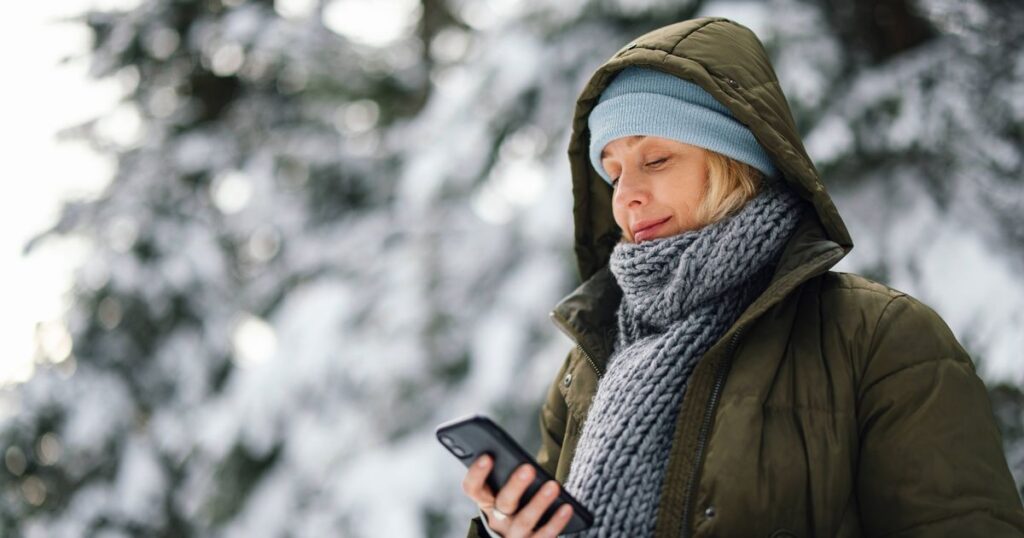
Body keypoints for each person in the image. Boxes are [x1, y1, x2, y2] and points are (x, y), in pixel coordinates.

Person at [460, 16, 1024, 538]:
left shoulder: (879, 338)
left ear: (737, 161)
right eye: (612, 173)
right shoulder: (591, 361)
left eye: (656, 160)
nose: (627, 195)